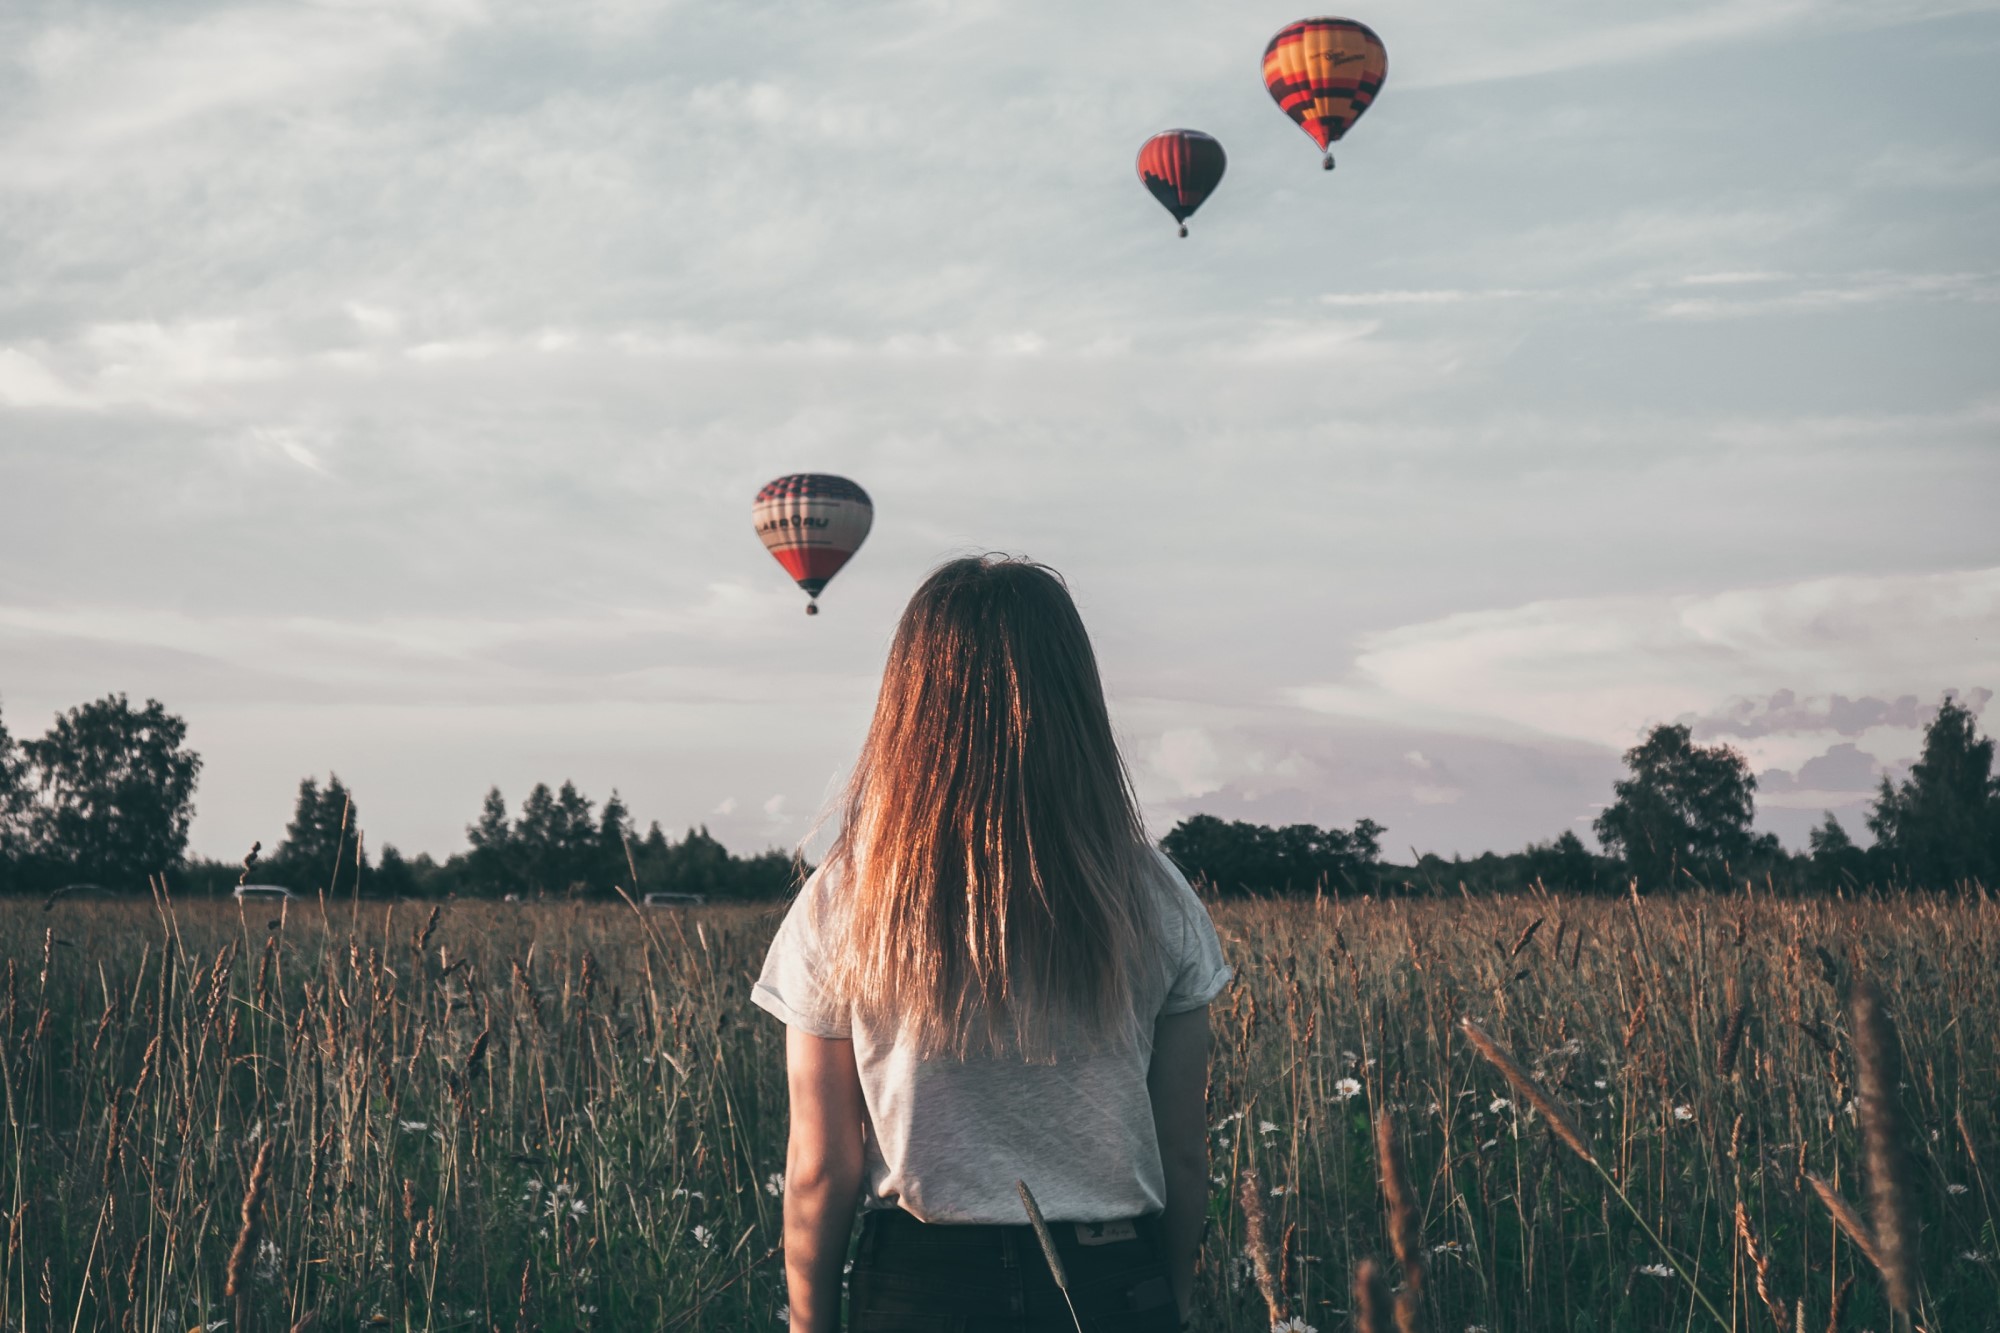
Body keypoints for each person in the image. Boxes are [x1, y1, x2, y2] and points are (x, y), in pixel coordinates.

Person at [753, 556, 1232, 1332]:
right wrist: (1164, 1301)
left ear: (909, 701)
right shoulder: (1154, 893)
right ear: (1074, 696)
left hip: (920, 1287)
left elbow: (819, 1168)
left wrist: (811, 1325)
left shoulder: (846, 896)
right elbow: (1182, 1157)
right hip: (1110, 1278)